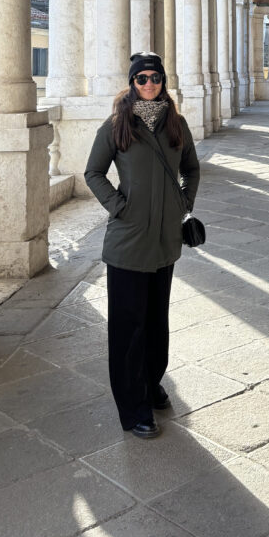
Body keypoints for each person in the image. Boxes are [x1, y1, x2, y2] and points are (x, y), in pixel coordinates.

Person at [84, 52, 200, 438]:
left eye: (155, 78)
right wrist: (120, 207)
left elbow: (191, 168)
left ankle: (152, 384)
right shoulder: (118, 124)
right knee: (127, 327)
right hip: (128, 242)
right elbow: (93, 172)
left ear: (163, 81)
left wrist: (184, 203)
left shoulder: (176, 123)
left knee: (156, 322)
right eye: (141, 79)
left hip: (165, 240)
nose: (149, 84)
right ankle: (133, 409)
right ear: (132, 83)